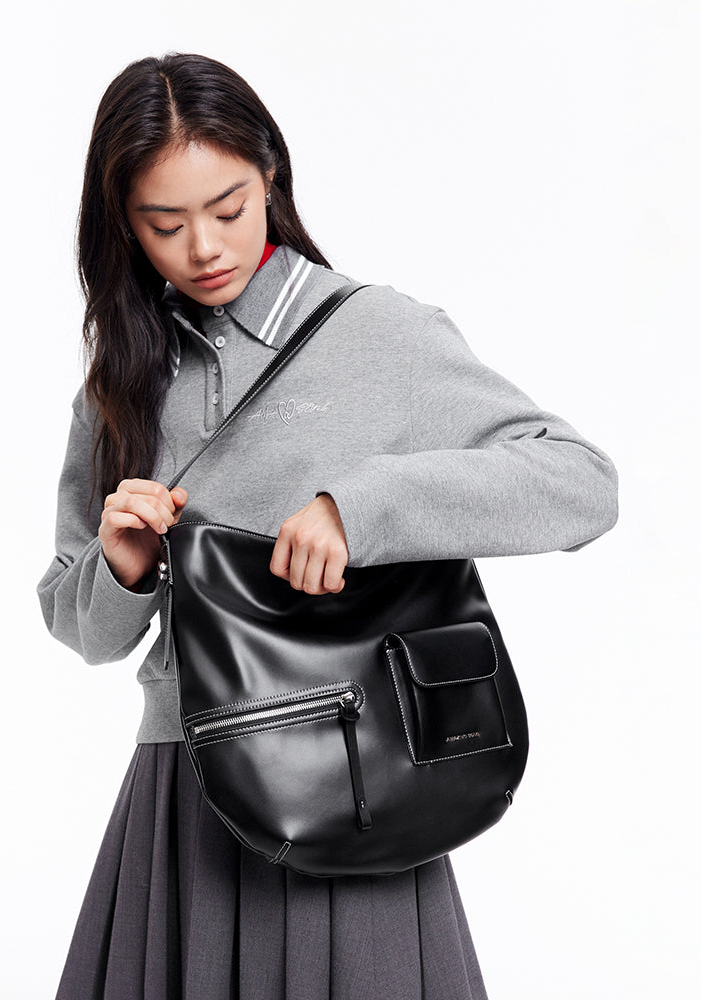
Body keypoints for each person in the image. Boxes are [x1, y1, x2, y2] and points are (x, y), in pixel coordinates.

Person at [36, 51, 619, 1000]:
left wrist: (366, 508)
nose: (205, 249)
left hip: (354, 777)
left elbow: (583, 483)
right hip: (182, 792)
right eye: (165, 224)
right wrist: (124, 566)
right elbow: (84, 632)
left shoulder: (376, 332)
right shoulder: (120, 385)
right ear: (123, 228)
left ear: (270, 174)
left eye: (227, 209)